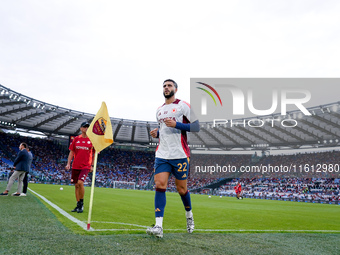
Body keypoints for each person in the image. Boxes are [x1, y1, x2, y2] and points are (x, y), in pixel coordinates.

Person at [146, 79, 200, 238]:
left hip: (180, 155)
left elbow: (196, 126)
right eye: (164, 85)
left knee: (181, 189)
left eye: (169, 85)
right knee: (159, 185)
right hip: (162, 154)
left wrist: (177, 125)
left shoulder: (183, 106)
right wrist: (157, 134)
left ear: (175, 89)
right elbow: (164, 133)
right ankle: (158, 226)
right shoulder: (159, 110)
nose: (166, 88)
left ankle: (189, 215)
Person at [65, 122, 95, 213]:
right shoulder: (76, 139)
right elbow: (71, 152)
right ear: (81, 128)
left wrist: (92, 165)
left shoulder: (92, 140)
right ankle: (78, 204)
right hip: (75, 165)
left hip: (86, 165)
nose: (86, 128)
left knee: (80, 183)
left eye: (88, 127)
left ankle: (81, 204)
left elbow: (95, 154)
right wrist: (68, 163)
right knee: (76, 185)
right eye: (84, 127)